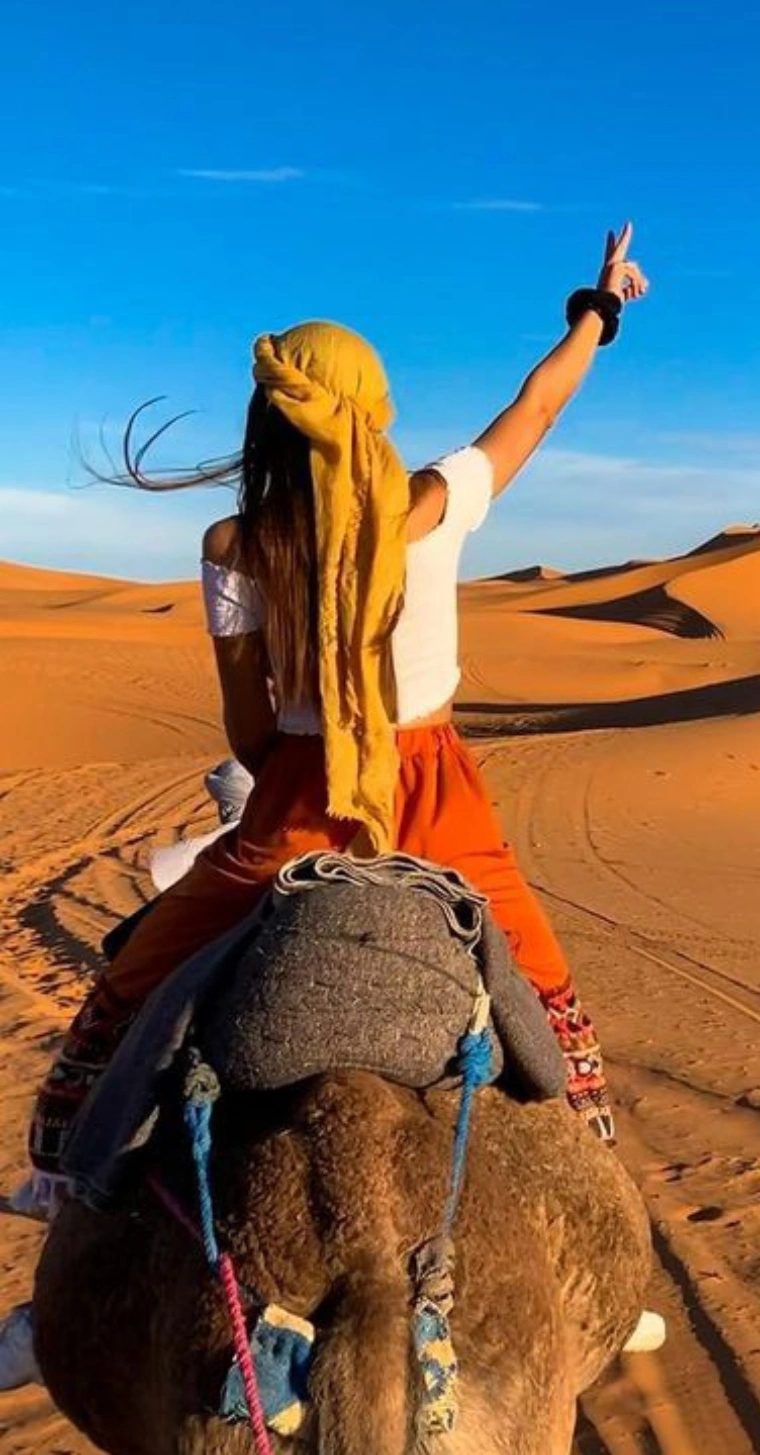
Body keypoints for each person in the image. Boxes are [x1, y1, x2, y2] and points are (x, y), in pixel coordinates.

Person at [0, 225, 655, 1387]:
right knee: (545, 995)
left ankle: (64, 1185)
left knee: (139, 974)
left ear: (265, 423)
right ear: (374, 415)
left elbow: (247, 731)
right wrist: (597, 310)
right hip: (437, 799)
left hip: (296, 803)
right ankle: (601, 1253)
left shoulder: (234, 542)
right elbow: (535, 408)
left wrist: (303, 747)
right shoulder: (436, 504)